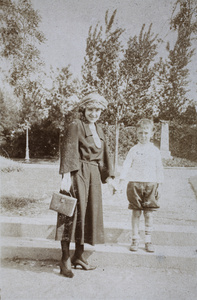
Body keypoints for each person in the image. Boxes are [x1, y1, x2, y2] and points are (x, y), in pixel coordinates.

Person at [55, 92, 115, 278]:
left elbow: (105, 155)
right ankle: (65, 258)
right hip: (77, 173)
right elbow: (69, 150)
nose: (94, 113)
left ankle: (78, 256)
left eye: (97, 110)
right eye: (91, 109)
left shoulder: (99, 129)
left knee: (88, 215)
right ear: (84, 109)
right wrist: (66, 176)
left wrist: (110, 178)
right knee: (70, 215)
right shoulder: (76, 125)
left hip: (94, 176)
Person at [119, 118, 164, 253]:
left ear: (151, 134)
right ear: (136, 134)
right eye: (140, 133)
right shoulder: (134, 150)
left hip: (150, 185)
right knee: (136, 213)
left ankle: (148, 240)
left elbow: (159, 168)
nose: (143, 136)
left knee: (149, 214)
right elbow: (126, 165)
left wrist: (160, 185)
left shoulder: (155, 150)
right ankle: (135, 239)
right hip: (135, 185)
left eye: (146, 133)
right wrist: (121, 181)